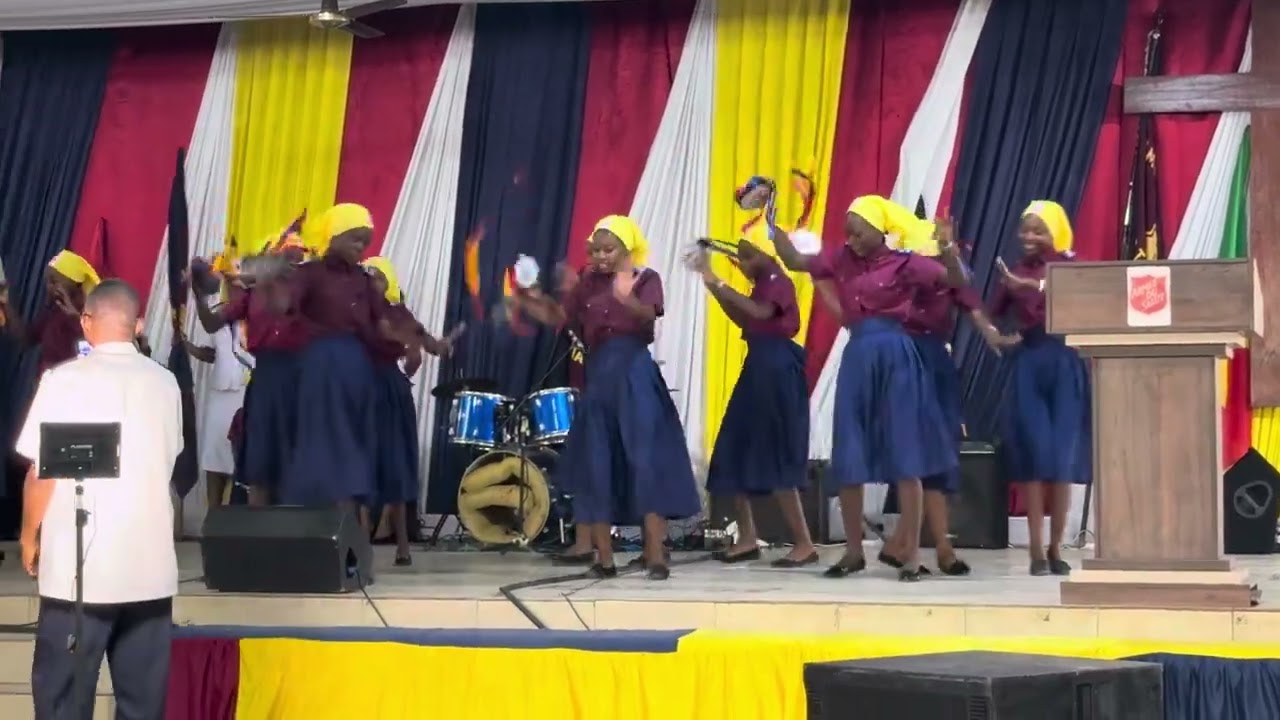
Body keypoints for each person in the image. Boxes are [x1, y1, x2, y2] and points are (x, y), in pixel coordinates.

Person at [772, 195, 967, 581]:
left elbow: (956, 281)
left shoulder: (906, 263)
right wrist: (771, 220)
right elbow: (795, 261)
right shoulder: (841, 259)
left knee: (906, 452)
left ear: (880, 230)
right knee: (850, 449)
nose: (852, 240)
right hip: (859, 355)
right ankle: (853, 552)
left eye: (859, 233)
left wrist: (946, 249)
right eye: (848, 234)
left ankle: (910, 554)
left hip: (896, 355)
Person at [17, 279, 182, 719]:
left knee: (63, 703)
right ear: (137, 324)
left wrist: (28, 534)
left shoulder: (65, 380)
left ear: (87, 321)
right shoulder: (166, 383)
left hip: (81, 571)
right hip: (149, 571)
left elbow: (42, 470)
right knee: (142, 706)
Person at [515, 215, 701, 580]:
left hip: (634, 374)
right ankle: (603, 558)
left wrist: (623, 295)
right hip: (599, 379)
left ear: (626, 249)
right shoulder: (585, 284)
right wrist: (530, 298)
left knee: (645, 461)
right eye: (596, 250)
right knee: (596, 464)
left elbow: (648, 317)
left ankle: (655, 554)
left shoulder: (646, 278)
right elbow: (563, 319)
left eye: (609, 249)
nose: (601, 256)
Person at [282, 205, 435, 517]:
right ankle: (315, 530)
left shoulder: (365, 282)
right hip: (321, 366)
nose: (361, 248)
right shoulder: (310, 274)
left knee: (353, 448)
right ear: (334, 235)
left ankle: (347, 536)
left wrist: (426, 341)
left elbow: (383, 322)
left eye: (365, 243)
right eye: (355, 239)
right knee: (322, 443)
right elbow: (287, 311)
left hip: (355, 369)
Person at [688, 240, 817, 567]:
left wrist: (717, 281)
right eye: (738, 258)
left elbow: (759, 312)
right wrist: (710, 281)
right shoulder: (761, 285)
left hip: (775, 371)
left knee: (776, 454)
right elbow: (744, 318)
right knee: (734, 450)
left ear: (768, 254)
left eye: (748, 257)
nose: (742, 264)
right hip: (758, 367)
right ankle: (747, 537)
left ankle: (804, 543)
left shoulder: (778, 281)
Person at [989, 200, 1091, 576]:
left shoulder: (1071, 269)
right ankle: (1034, 550)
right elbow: (990, 312)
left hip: (1065, 366)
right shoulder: (1012, 273)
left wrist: (1029, 284)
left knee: (1061, 463)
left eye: (1038, 230)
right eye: (1025, 229)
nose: (1029, 237)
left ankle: (1055, 548)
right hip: (1029, 366)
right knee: (1034, 459)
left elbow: (1079, 301)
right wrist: (998, 337)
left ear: (1056, 232)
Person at [363, 256, 443, 566]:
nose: (372, 282)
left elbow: (424, 347)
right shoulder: (355, 313)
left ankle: (403, 545)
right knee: (360, 463)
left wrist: (437, 345)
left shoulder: (398, 313)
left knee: (394, 464)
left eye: (378, 277)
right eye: (366, 276)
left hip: (387, 389)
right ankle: (360, 540)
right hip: (360, 388)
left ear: (389, 282)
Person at [182, 274, 252, 511]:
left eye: (240, 287)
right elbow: (210, 353)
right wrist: (186, 346)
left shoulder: (260, 315)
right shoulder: (218, 313)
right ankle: (213, 514)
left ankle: (241, 517)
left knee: (241, 455)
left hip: (248, 393)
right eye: (231, 286)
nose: (235, 291)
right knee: (214, 454)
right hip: (221, 394)